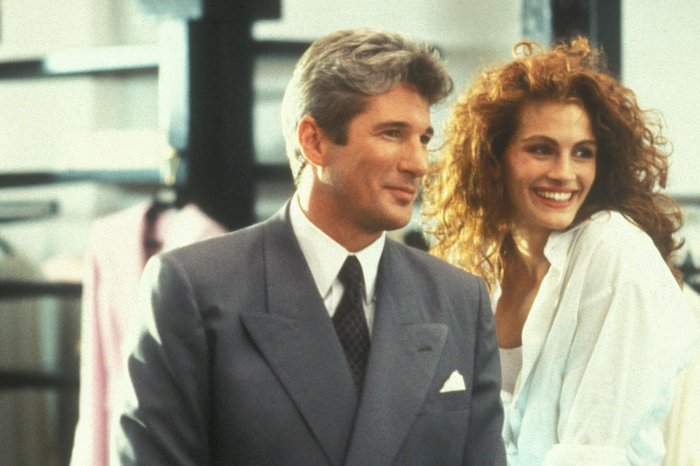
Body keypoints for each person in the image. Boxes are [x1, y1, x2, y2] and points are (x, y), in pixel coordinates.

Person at [113, 28, 505, 465]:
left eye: (424, 138)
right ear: (314, 141)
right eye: (393, 133)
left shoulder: (460, 300)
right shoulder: (192, 289)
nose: (419, 163)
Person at [422, 37, 700, 464]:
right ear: (494, 156)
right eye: (541, 149)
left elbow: (594, 453)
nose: (564, 173)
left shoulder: (613, 249)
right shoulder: (479, 263)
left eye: (583, 153)